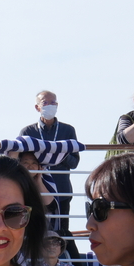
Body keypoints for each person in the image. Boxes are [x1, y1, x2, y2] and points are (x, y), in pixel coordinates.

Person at [19, 90, 80, 233]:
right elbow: (20, 162)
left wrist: (58, 153)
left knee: (62, 232)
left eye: (53, 102)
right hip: (34, 190)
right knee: (32, 230)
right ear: (37, 107)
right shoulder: (27, 132)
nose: (50, 106)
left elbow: (74, 163)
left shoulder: (68, 130)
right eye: (45, 103)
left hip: (62, 189)